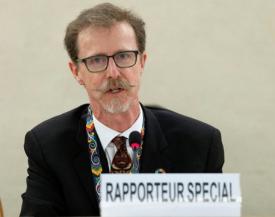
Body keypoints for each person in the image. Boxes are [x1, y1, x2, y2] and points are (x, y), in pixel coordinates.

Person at [20, 2, 224, 216]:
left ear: (142, 62)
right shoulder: (48, 146)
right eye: (97, 60)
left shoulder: (199, 143)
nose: (113, 73)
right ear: (76, 71)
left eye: (124, 56)